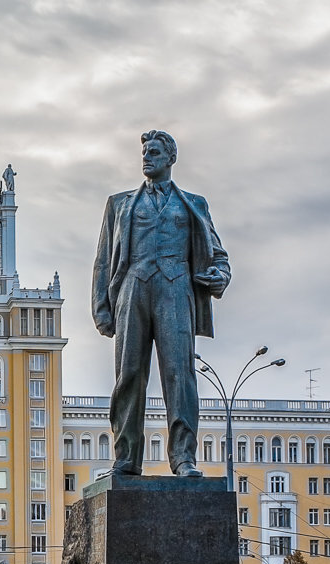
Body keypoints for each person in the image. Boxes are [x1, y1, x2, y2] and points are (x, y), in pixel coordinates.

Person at [92, 130, 231, 477]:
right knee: (129, 375)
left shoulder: (194, 204)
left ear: (171, 158)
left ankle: (184, 458)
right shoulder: (120, 203)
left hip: (176, 289)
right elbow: (102, 260)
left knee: (179, 375)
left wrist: (220, 276)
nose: (146, 157)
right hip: (132, 290)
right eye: (144, 152)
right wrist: (101, 307)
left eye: (154, 152)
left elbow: (218, 255)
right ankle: (126, 459)